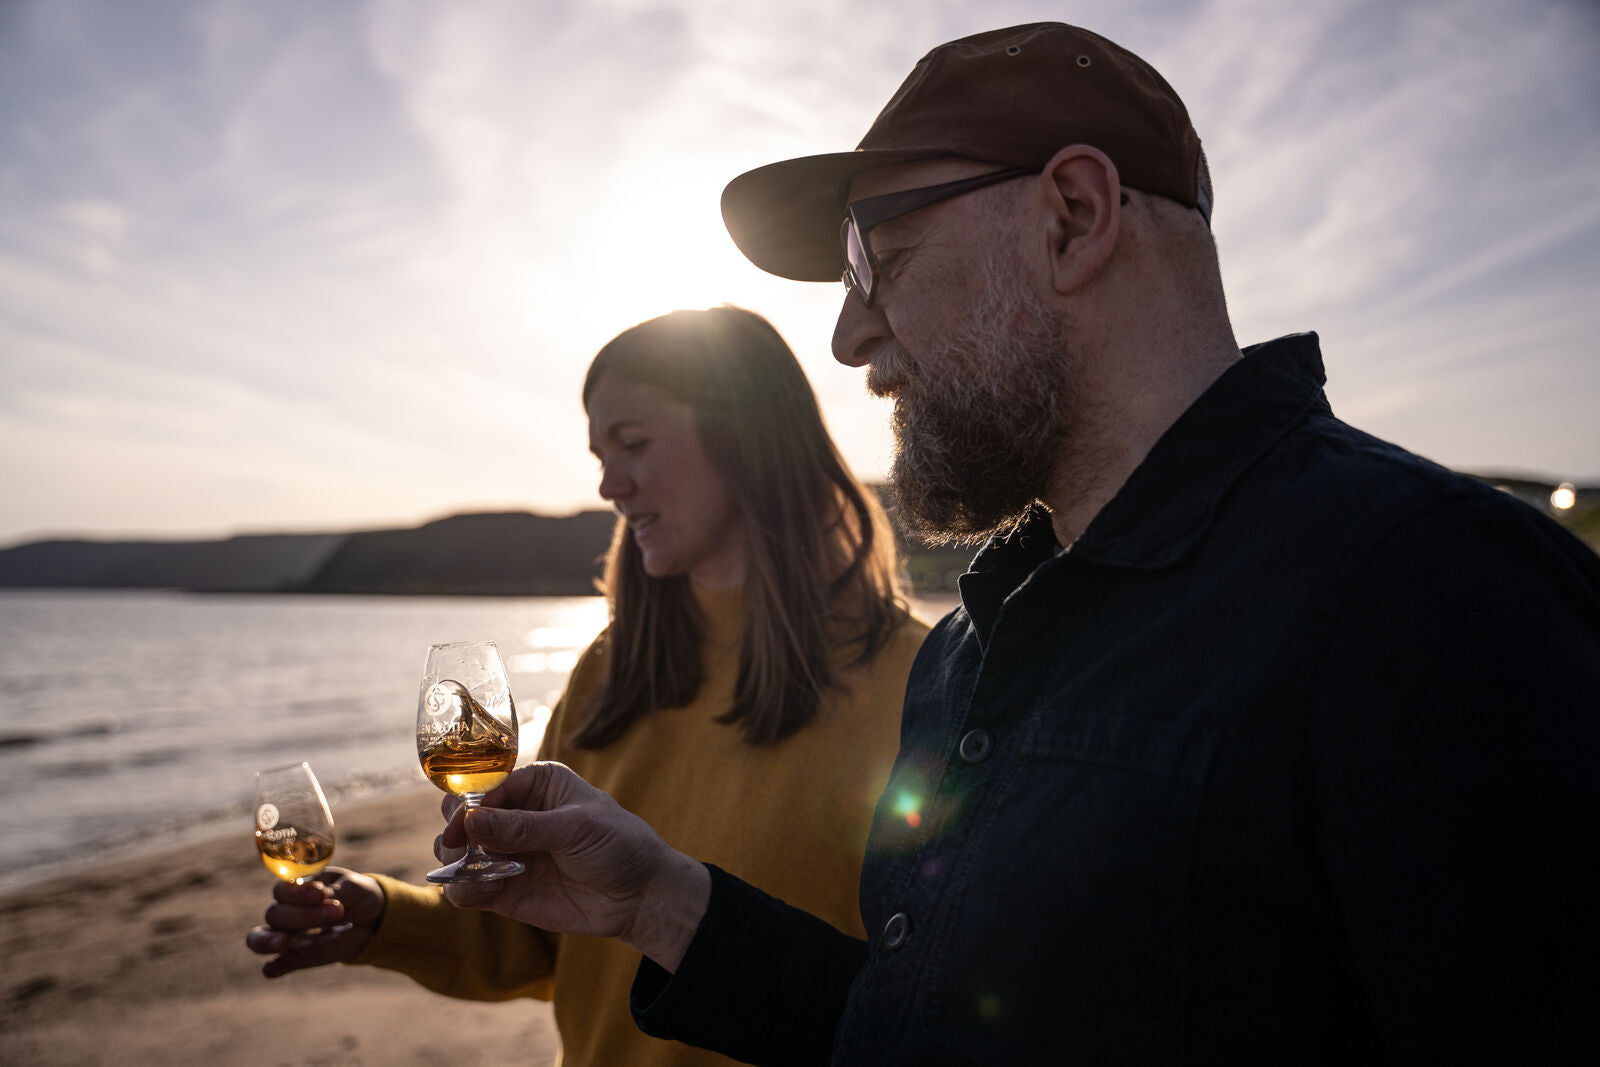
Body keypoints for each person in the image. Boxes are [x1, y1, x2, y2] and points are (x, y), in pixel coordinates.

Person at [430, 22, 1600, 1066]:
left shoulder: (1426, 592)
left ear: (1072, 217)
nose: (847, 334)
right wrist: (660, 900)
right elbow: (921, 1026)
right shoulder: (970, 653)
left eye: (873, 258)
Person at [245, 306, 930, 1067]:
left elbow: (925, 1005)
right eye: (601, 454)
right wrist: (379, 916)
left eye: (633, 444)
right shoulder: (611, 672)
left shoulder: (921, 685)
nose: (609, 483)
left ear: (751, 435)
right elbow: (541, 936)